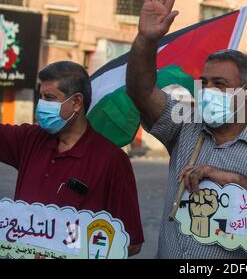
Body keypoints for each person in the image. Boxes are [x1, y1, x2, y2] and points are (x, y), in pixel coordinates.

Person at [126, 0, 247, 258]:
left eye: (220, 84)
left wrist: (230, 178)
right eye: (204, 82)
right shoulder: (186, 125)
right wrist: (146, 41)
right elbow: (141, 90)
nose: (207, 91)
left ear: (246, 92)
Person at [0, 62, 144, 256]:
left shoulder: (112, 160)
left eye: (49, 98)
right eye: (40, 97)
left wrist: (64, 251)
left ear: (76, 102)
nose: (41, 105)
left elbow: (131, 242)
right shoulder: (30, 139)